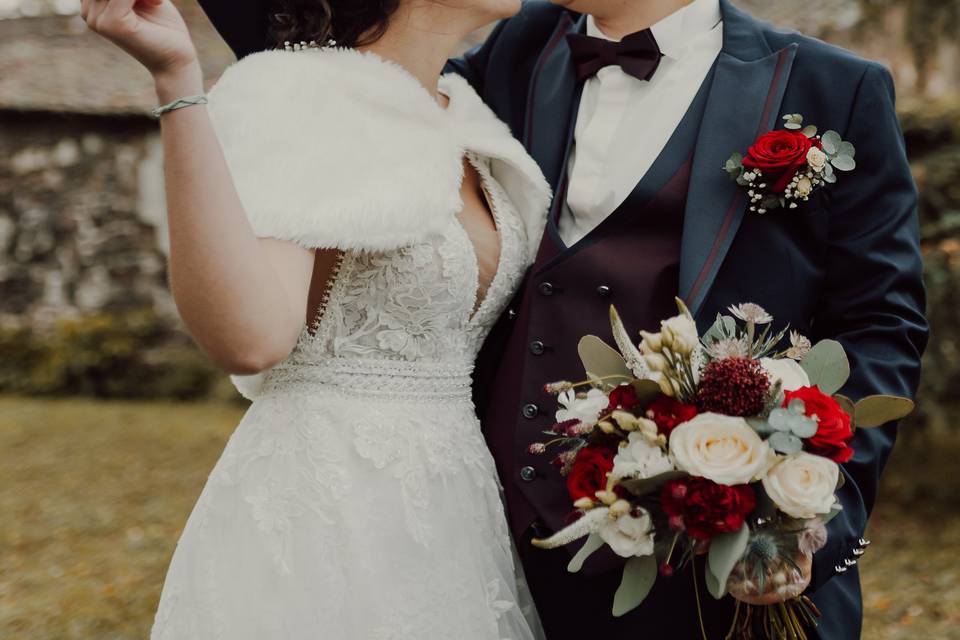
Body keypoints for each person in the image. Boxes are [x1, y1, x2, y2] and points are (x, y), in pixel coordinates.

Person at [444, 0, 929, 638]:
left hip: (711, 568)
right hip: (505, 556)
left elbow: (880, 321)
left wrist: (805, 525)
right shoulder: (512, 52)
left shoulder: (832, 86)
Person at [81, 0, 552, 638]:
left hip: (452, 504)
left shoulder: (463, 115)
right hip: (329, 507)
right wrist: (178, 85)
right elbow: (250, 336)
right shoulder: (303, 102)